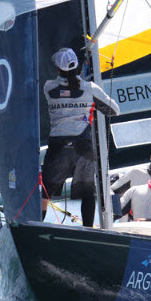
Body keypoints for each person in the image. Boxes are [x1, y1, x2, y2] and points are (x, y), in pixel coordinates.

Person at [42, 47, 120, 227]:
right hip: (82, 147)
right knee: (87, 193)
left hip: (58, 147)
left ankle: (34, 227)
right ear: (77, 67)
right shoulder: (89, 88)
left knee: (45, 194)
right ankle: (88, 230)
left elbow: (68, 88)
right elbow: (114, 110)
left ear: (57, 69)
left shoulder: (48, 87)